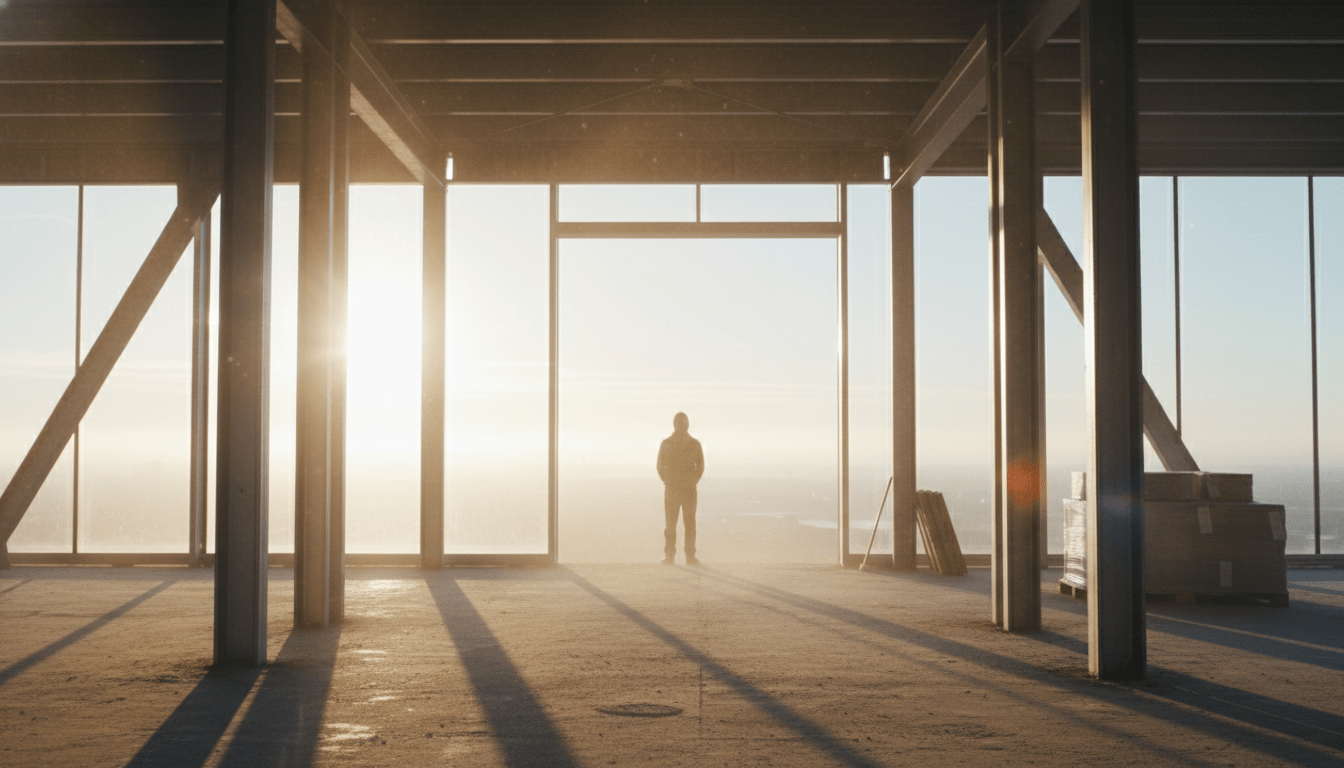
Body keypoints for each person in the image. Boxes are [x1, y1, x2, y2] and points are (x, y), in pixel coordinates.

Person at [656, 412, 704, 565]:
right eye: (680, 423)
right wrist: (669, 482)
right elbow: (659, 466)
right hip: (678, 489)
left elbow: (700, 466)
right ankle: (676, 556)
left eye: (682, 423)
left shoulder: (693, 444)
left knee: (684, 524)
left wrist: (691, 481)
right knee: (676, 524)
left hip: (681, 489)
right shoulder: (668, 443)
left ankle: (682, 556)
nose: (681, 426)